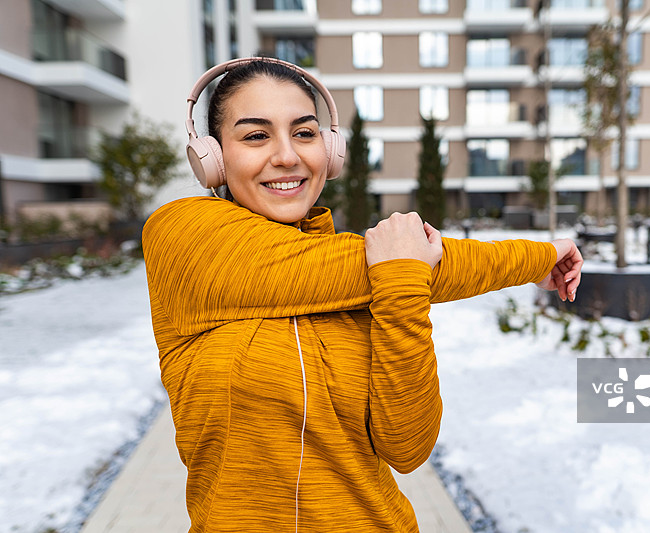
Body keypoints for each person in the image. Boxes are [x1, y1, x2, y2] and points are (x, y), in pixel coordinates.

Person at [142, 58, 582, 532]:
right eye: (256, 135)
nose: (287, 156)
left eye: (305, 133)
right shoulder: (181, 236)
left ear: (329, 150)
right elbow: (386, 263)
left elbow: (408, 448)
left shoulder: (375, 283)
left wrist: (402, 291)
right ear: (212, 156)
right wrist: (533, 257)